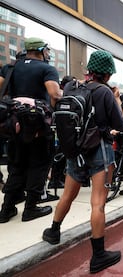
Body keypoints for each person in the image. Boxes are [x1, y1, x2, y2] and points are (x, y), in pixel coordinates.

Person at [42, 50, 123, 273]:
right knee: (98, 203)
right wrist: (116, 98)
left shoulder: (71, 87)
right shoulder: (105, 92)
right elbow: (120, 124)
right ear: (106, 74)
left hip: (75, 149)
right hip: (100, 150)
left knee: (69, 193)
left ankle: (53, 231)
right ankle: (98, 255)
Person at [0, 37, 62, 223]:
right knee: (39, 165)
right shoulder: (47, 69)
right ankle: (31, 208)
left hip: (15, 125)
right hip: (38, 126)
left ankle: (6, 209)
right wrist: (61, 94)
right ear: (42, 50)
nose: (49, 54)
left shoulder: (10, 68)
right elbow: (54, 93)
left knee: (17, 166)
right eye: (48, 51)